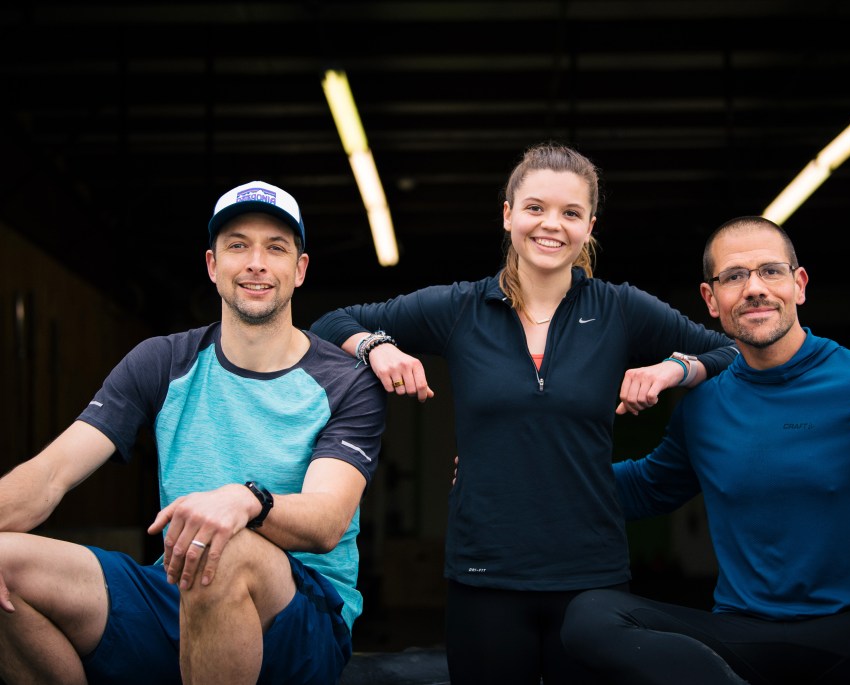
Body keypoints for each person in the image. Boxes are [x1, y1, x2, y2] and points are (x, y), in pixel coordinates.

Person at [310, 142, 739, 684]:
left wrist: (676, 368)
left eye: (571, 213)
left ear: (589, 227)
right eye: (535, 208)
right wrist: (378, 347)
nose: (551, 224)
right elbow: (331, 323)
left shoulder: (620, 308)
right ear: (508, 214)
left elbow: (731, 352)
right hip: (484, 572)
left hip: (591, 578)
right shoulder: (460, 308)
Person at [560, 215, 850, 685]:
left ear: (799, 285)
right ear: (711, 300)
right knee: (592, 616)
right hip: (741, 637)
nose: (754, 288)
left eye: (770, 271)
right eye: (734, 277)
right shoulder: (704, 406)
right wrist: (538, 472)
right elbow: (646, 488)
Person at [0, 180, 386, 684]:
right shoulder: (163, 361)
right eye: (237, 245)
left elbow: (326, 520)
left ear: (299, 269)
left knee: (220, 548)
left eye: (275, 248)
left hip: (301, 614)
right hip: (177, 590)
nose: (256, 263)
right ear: (211, 264)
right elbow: (51, 474)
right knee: (4, 562)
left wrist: (247, 500)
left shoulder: (346, 381)